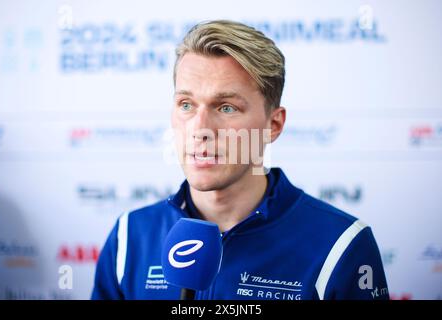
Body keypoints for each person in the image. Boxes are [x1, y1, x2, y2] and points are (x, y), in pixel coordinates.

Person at [91, 20, 389, 300]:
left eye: (227, 108)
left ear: (273, 125)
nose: (200, 128)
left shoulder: (341, 243)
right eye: (186, 104)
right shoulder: (130, 236)